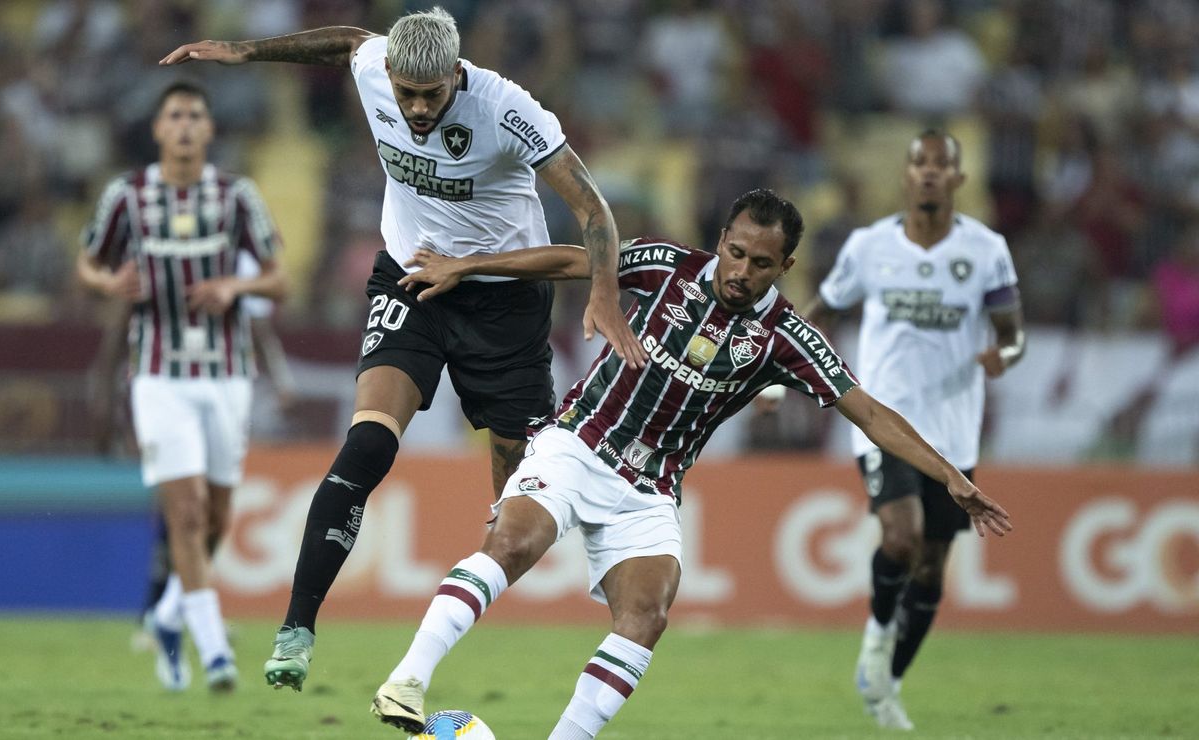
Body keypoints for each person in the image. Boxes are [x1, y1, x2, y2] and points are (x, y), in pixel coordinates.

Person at [367, 189, 1013, 737]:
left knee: (648, 614)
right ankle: (406, 681)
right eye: (735, 253)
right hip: (579, 444)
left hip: (650, 490)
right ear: (722, 240)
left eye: (761, 263)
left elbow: (868, 412)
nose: (741, 272)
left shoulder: (787, 337)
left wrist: (952, 478)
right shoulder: (666, 265)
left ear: (784, 265)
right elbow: (573, 259)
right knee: (514, 542)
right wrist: (466, 266)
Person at [159, 6, 645, 692]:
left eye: (432, 94)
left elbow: (593, 208)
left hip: (505, 300)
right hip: (413, 277)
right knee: (368, 446)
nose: (417, 109)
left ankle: (515, 595)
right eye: (405, 93)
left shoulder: (509, 110)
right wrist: (244, 52)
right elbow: (347, 42)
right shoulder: (371, 66)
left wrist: (603, 293)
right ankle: (297, 629)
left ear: (456, 72)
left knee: (516, 500)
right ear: (390, 72)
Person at [802, 130, 1026, 730]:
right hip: (884, 422)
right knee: (901, 537)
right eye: (919, 163)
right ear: (905, 175)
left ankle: (887, 682)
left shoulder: (985, 250)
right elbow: (823, 311)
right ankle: (877, 635)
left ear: (957, 178)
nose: (929, 173)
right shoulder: (869, 246)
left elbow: (1013, 330)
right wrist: (776, 371)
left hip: (954, 433)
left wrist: (1006, 353)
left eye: (940, 165)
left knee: (930, 568)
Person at [76, 79, 289, 692]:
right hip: (157, 374)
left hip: (227, 373)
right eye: (176, 115)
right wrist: (106, 283)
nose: (187, 125)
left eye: (197, 114)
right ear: (158, 129)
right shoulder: (127, 197)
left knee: (218, 517)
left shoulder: (236, 197)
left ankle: (169, 617)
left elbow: (277, 281)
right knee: (187, 511)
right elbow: (88, 260)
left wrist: (235, 288)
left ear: (211, 129)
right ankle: (215, 651)